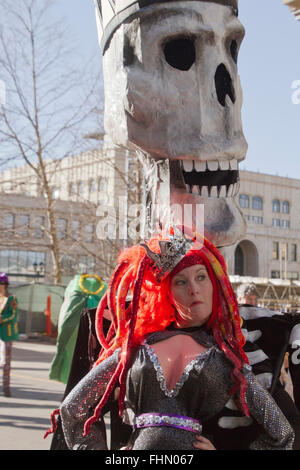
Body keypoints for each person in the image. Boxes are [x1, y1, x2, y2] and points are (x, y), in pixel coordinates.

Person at [54, 230, 294, 450]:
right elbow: (73, 410)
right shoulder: (133, 350)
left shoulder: (229, 358)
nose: (194, 289)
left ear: (215, 285)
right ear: (165, 293)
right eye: (181, 281)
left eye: (201, 277)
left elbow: (283, 435)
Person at [0, 273, 18, 397]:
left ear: (5, 285)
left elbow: (13, 315)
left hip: (6, 334)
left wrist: (2, 318)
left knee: (6, 362)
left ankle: (6, 387)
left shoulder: (12, 298)